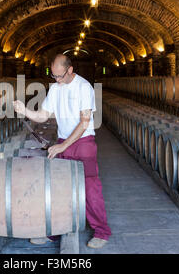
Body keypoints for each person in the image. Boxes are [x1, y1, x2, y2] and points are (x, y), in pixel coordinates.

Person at [13, 54, 111, 249]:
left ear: (70, 70)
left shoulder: (84, 87)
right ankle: (56, 231)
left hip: (83, 142)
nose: (57, 80)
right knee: (59, 188)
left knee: (90, 189)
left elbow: (84, 123)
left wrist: (63, 146)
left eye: (60, 76)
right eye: (54, 76)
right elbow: (43, 115)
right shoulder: (56, 89)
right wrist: (25, 111)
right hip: (63, 140)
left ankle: (101, 231)